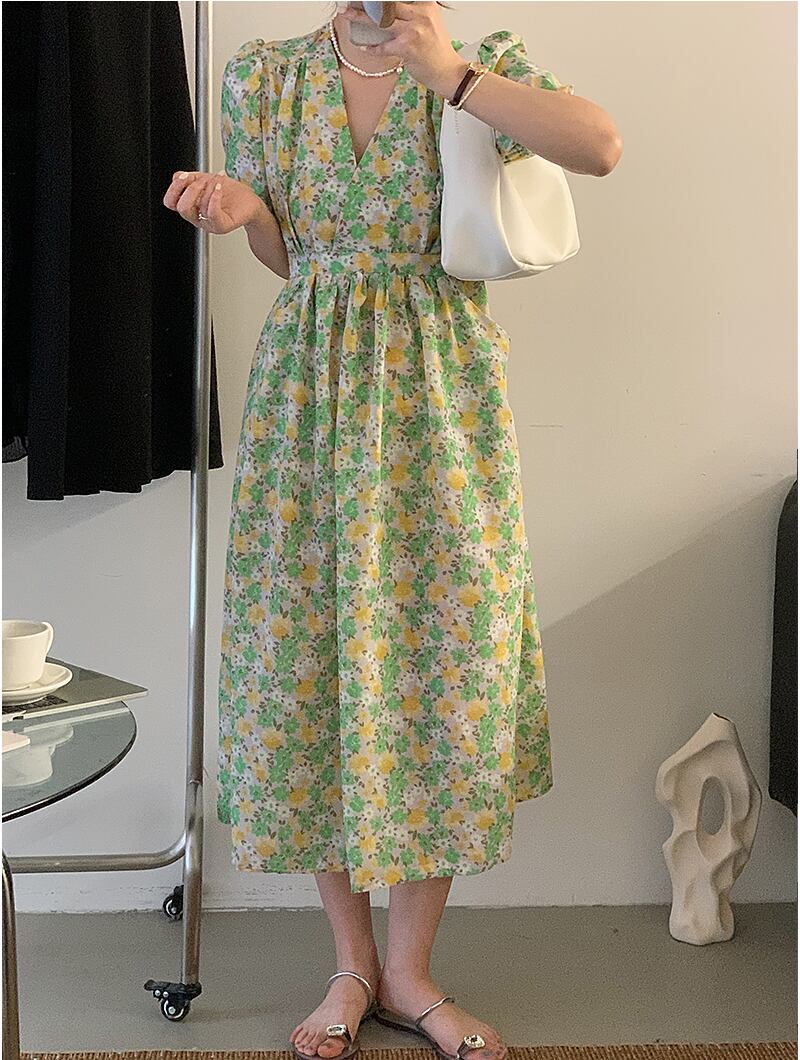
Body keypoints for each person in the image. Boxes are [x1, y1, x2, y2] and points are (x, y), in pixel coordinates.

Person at [164, 3, 622, 1058]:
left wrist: (448, 73)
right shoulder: (267, 77)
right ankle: (352, 964)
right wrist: (247, 210)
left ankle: (412, 974)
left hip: (440, 400)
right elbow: (295, 260)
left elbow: (599, 145)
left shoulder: (477, 64)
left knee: (442, 665)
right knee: (314, 663)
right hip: (310, 396)